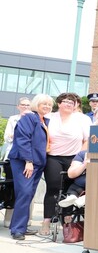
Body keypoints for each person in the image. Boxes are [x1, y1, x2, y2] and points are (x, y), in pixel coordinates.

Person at [41, 93, 91, 237]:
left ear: (75, 105)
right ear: (59, 103)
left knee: (70, 189)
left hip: (74, 157)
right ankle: (46, 221)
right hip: (53, 157)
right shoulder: (50, 117)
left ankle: (67, 219)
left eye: (72, 102)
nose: (69, 104)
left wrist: (80, 157)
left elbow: (87, 139)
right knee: (53, 188)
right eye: (66, 101)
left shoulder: (82, 119)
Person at [7, 94, 53, 240]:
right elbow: (23, 139)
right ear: (36, 104)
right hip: (24, 162)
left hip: (38, 162)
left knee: (28, 195)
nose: (46, 106)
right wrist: (28, 161)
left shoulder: (45, 120)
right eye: (43, 104)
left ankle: (21, 226)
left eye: (49, 104)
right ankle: (17, 230)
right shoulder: (29, 117)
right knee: (25, 193)